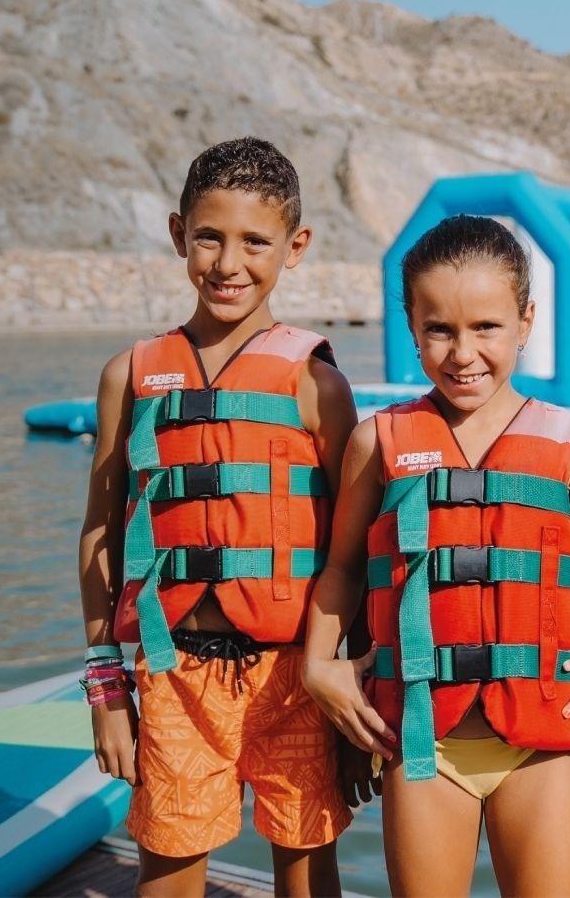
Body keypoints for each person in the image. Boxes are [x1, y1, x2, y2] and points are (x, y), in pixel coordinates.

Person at [301, 215, 570, 895]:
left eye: (486, 327)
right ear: (411, 326)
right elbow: (343, 571)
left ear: (525, 320)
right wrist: (318, 666)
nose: (462, 353)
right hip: (423, 746)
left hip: (540, 746)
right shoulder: (377, 444)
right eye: (439, 329)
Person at [77, 136, 360, 897]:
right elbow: (102, 532)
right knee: (166, 875)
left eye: (254, 242)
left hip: (296, 677)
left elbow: (355, 544)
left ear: (294, 248)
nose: (228, 263)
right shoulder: (128, 376)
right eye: (209, 237)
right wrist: (107, 687)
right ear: (179, 235)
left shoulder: (317, 385)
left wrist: (358, 682)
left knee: (308, 874)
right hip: (172, 675)